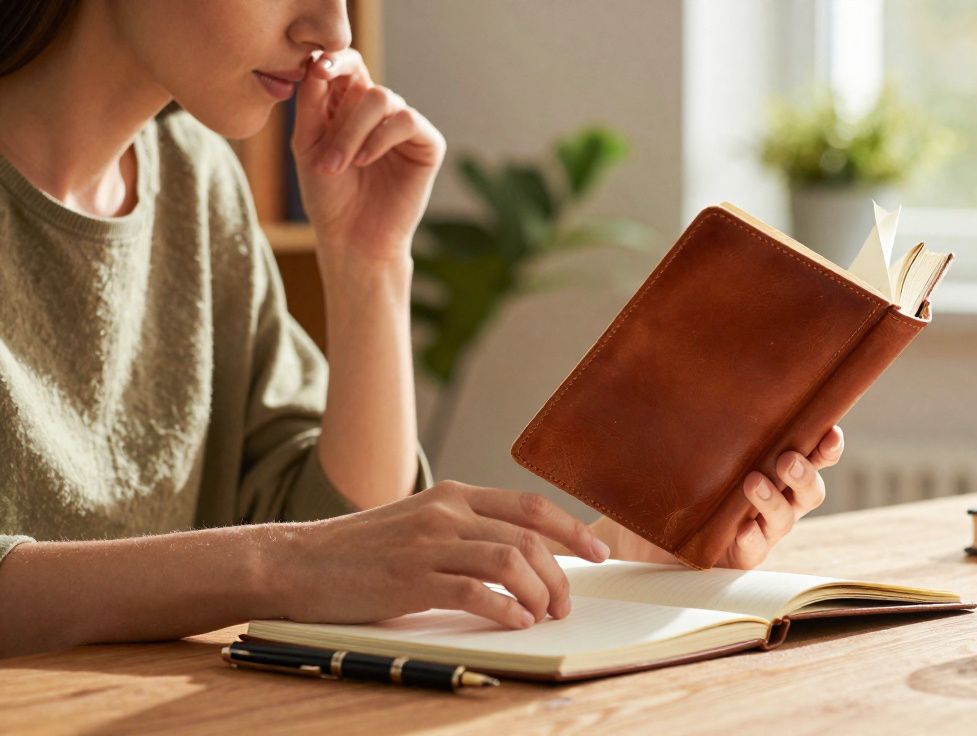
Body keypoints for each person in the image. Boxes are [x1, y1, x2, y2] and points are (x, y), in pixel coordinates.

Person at [0, 0, 845, 658]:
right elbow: (309, 556)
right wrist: (283, 563)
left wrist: (370, 266)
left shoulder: (197, 182)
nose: (328, 28)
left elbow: (342, 536)